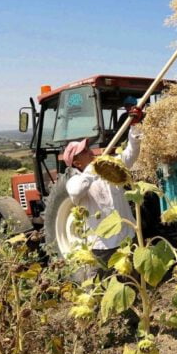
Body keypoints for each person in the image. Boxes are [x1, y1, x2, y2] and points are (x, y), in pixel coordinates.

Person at [58, 104, 143, 273]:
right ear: (76, 162)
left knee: (133, 285)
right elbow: (76, 191)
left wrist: (134, 127)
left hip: (127, 238)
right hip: (103, 246)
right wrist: (94, 168)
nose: (91, 153)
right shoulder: (74, 181)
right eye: (85, 152)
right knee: (105, 289)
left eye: (89, 149)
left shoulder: (108, 168)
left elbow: (130, 154)